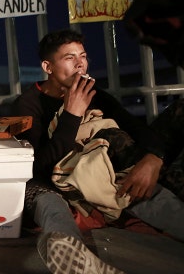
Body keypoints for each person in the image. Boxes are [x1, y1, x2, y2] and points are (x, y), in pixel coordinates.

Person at [11, 29, 184, 273]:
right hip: (61, 179)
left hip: (109, 168)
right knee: (48, 198)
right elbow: (38, 165)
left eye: (83, 55)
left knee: (133, 170)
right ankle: (72, 254)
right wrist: (71, 115)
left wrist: (154, 158)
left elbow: (136, 129)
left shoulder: (95, 94)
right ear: (48, 67)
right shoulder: (28, 103)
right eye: (69, 57)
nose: (80, 63)